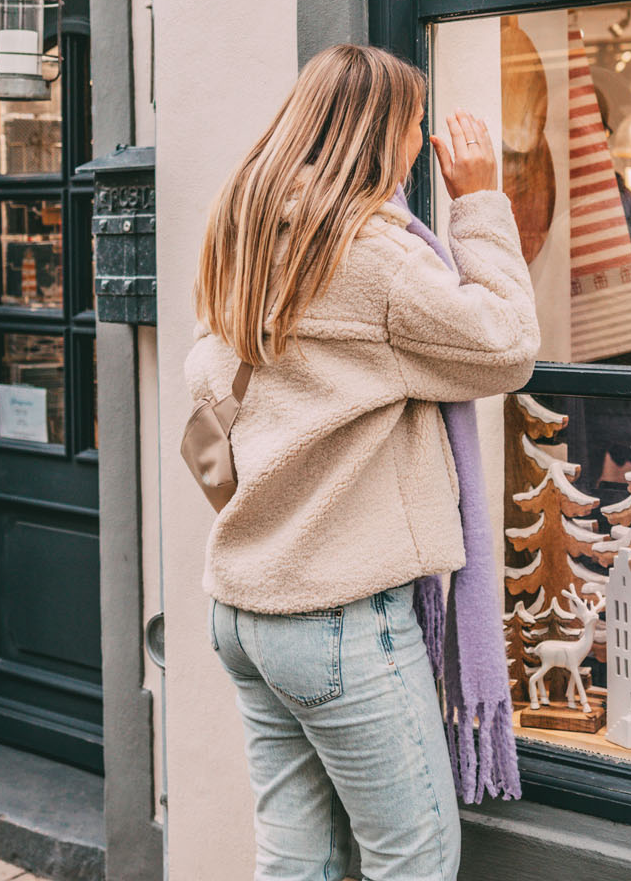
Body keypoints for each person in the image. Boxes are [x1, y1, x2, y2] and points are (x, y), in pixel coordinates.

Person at [188, 44, 540, 880]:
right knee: (412, 861)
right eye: (416, 127)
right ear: (380, 139)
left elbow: (206, 380)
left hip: (246, 608)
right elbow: (507, 347)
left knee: (295, 860)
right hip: (339, 618)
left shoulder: (242, 229)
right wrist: (483, 201)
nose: (424, 143)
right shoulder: (371, 255)